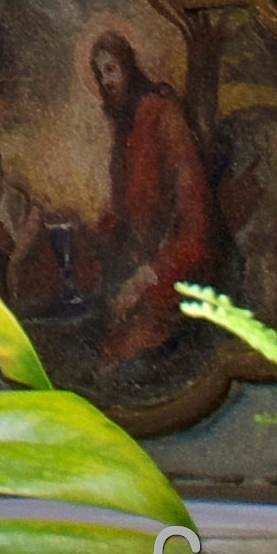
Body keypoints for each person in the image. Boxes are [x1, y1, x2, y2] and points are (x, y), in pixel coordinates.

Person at [90, 29, 215, 368]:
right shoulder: (124, 130)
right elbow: (126, 208)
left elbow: (193, 212)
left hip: (181, 262)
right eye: (99, 73)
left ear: (128, 67)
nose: (106, 81)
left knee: (125, 353)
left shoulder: (162, 114)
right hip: (141, 265)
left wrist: (149, 275)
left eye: (111, 69)